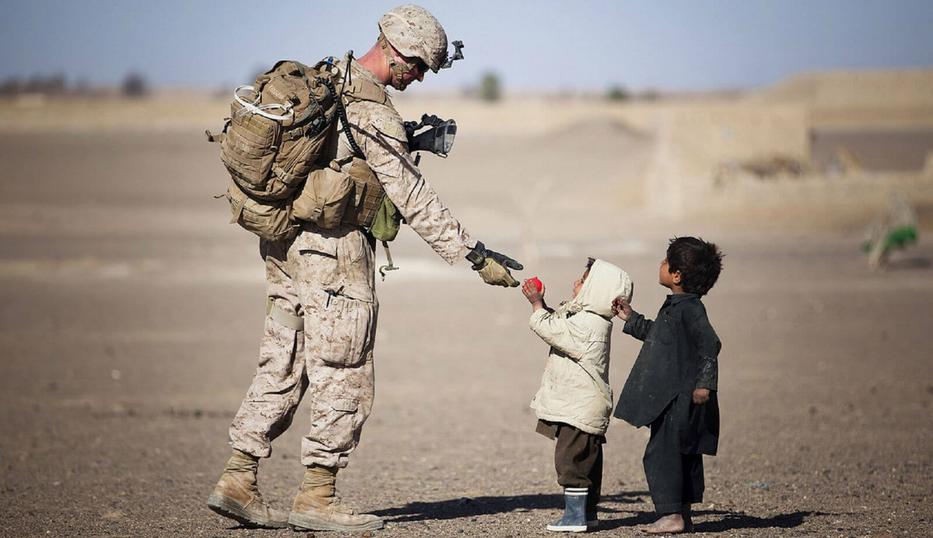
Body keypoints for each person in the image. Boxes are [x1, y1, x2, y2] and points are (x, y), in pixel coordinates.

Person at [207, 4, 523, 532]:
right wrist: (473, 254)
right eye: (419, 66)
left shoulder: (330, 78)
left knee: (283, 359)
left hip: (285, 245)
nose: (419, 78)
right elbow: (413, 196)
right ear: (396, 51)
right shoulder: (372, 110)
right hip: (333, 254)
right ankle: (317, 497)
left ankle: (238, 478)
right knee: (344, 370)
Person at [612, 237, 723, 534]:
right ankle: (682, 513)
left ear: (676, 275)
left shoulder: (690, 310)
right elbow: (659, 336)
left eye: (665, 261)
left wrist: (704, 384)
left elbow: (709, 344)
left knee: (663, 453)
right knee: (680, 451)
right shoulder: (676, 306)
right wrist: (631, 318)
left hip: (680, 398)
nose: (660, 264)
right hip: (673, 396)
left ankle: (671, 514)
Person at [521, 259, 633, 533]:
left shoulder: (590, 324)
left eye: (583, 281)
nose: (576, 284)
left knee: (571, 461)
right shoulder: (588, 319)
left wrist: (536, 305)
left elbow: (552, 330)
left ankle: (575, 517)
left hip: (580, 407)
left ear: (597, 290)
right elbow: (560, 322)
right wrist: (543, 304)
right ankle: (588, 513)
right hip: (583, 405)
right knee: (588, 462)